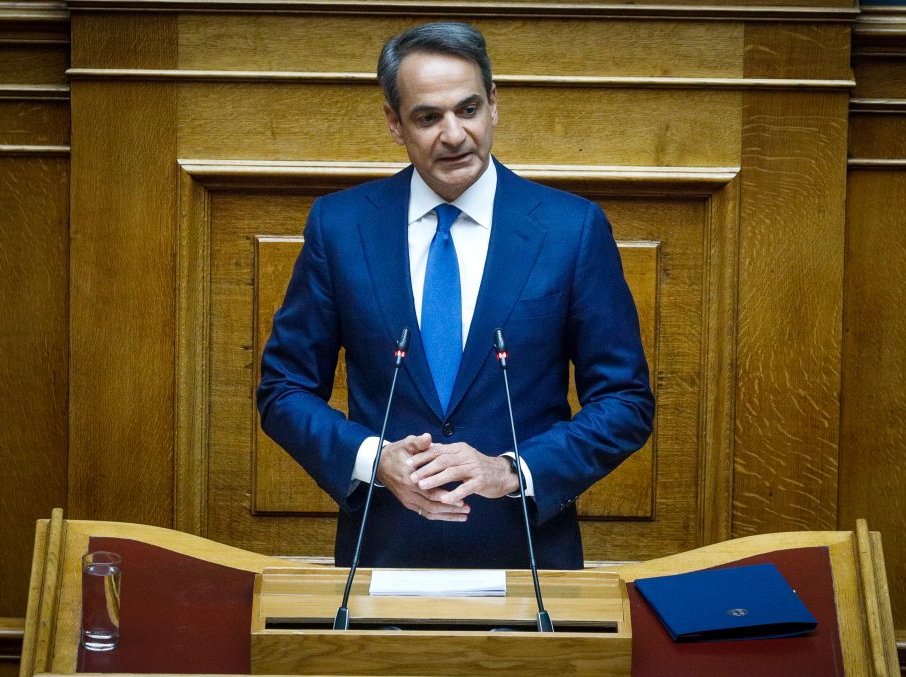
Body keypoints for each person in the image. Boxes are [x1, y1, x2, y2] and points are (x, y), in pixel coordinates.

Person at [257, 21, 654, 569]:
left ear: (494, 104)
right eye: (428, 117)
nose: (453, 135)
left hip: (528, 559)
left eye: (468, 109)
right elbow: (284, 389)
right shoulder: (341, 227)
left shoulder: (571, 229)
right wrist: (374, 460)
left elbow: (625, 402)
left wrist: (511, 471)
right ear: (394, 122)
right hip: (384, 555)